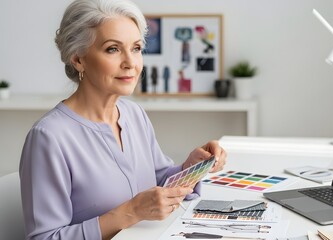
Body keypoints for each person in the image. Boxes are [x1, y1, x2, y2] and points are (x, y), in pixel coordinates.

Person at [19, 0, 227, 239]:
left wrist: (191, 167)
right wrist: (131, 212)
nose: (130, 63)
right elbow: (44, 237)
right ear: (78, 59)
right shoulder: (49, 137)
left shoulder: (134, 114)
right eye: (113, 49)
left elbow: (157, 181)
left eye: (136, 48)